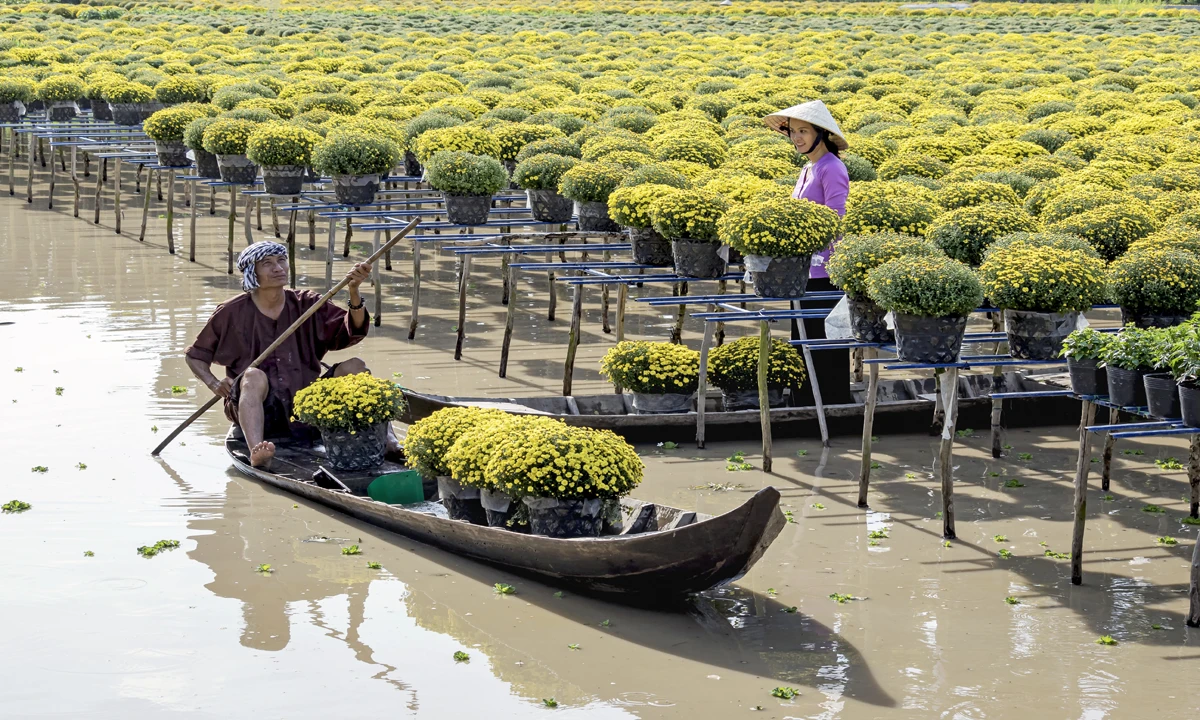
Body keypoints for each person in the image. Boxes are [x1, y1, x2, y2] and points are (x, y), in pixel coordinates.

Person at [185, 241, 398, 467]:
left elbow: (351, 330)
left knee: (356, 366)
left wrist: (354, 291)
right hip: (261, 407)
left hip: (307, 403)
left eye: (281, 261)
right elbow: (195, 356)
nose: (278, 268)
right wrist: (212, 383)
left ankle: (388, 439)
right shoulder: (230, 311)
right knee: (253, 376)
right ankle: (257, 451)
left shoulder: (308, 303)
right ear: (252, 272)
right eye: (267, 264)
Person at [762, 101, 853, 405]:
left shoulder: (832, 168)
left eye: (804, 131)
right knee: (803, 342)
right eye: (793, 131)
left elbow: (836, 219)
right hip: (801, 271)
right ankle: (805, 404)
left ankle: (831, 405)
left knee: (824, 343)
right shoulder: (807, 168)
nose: (797, 137)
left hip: (824, 273)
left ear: (821, 135)